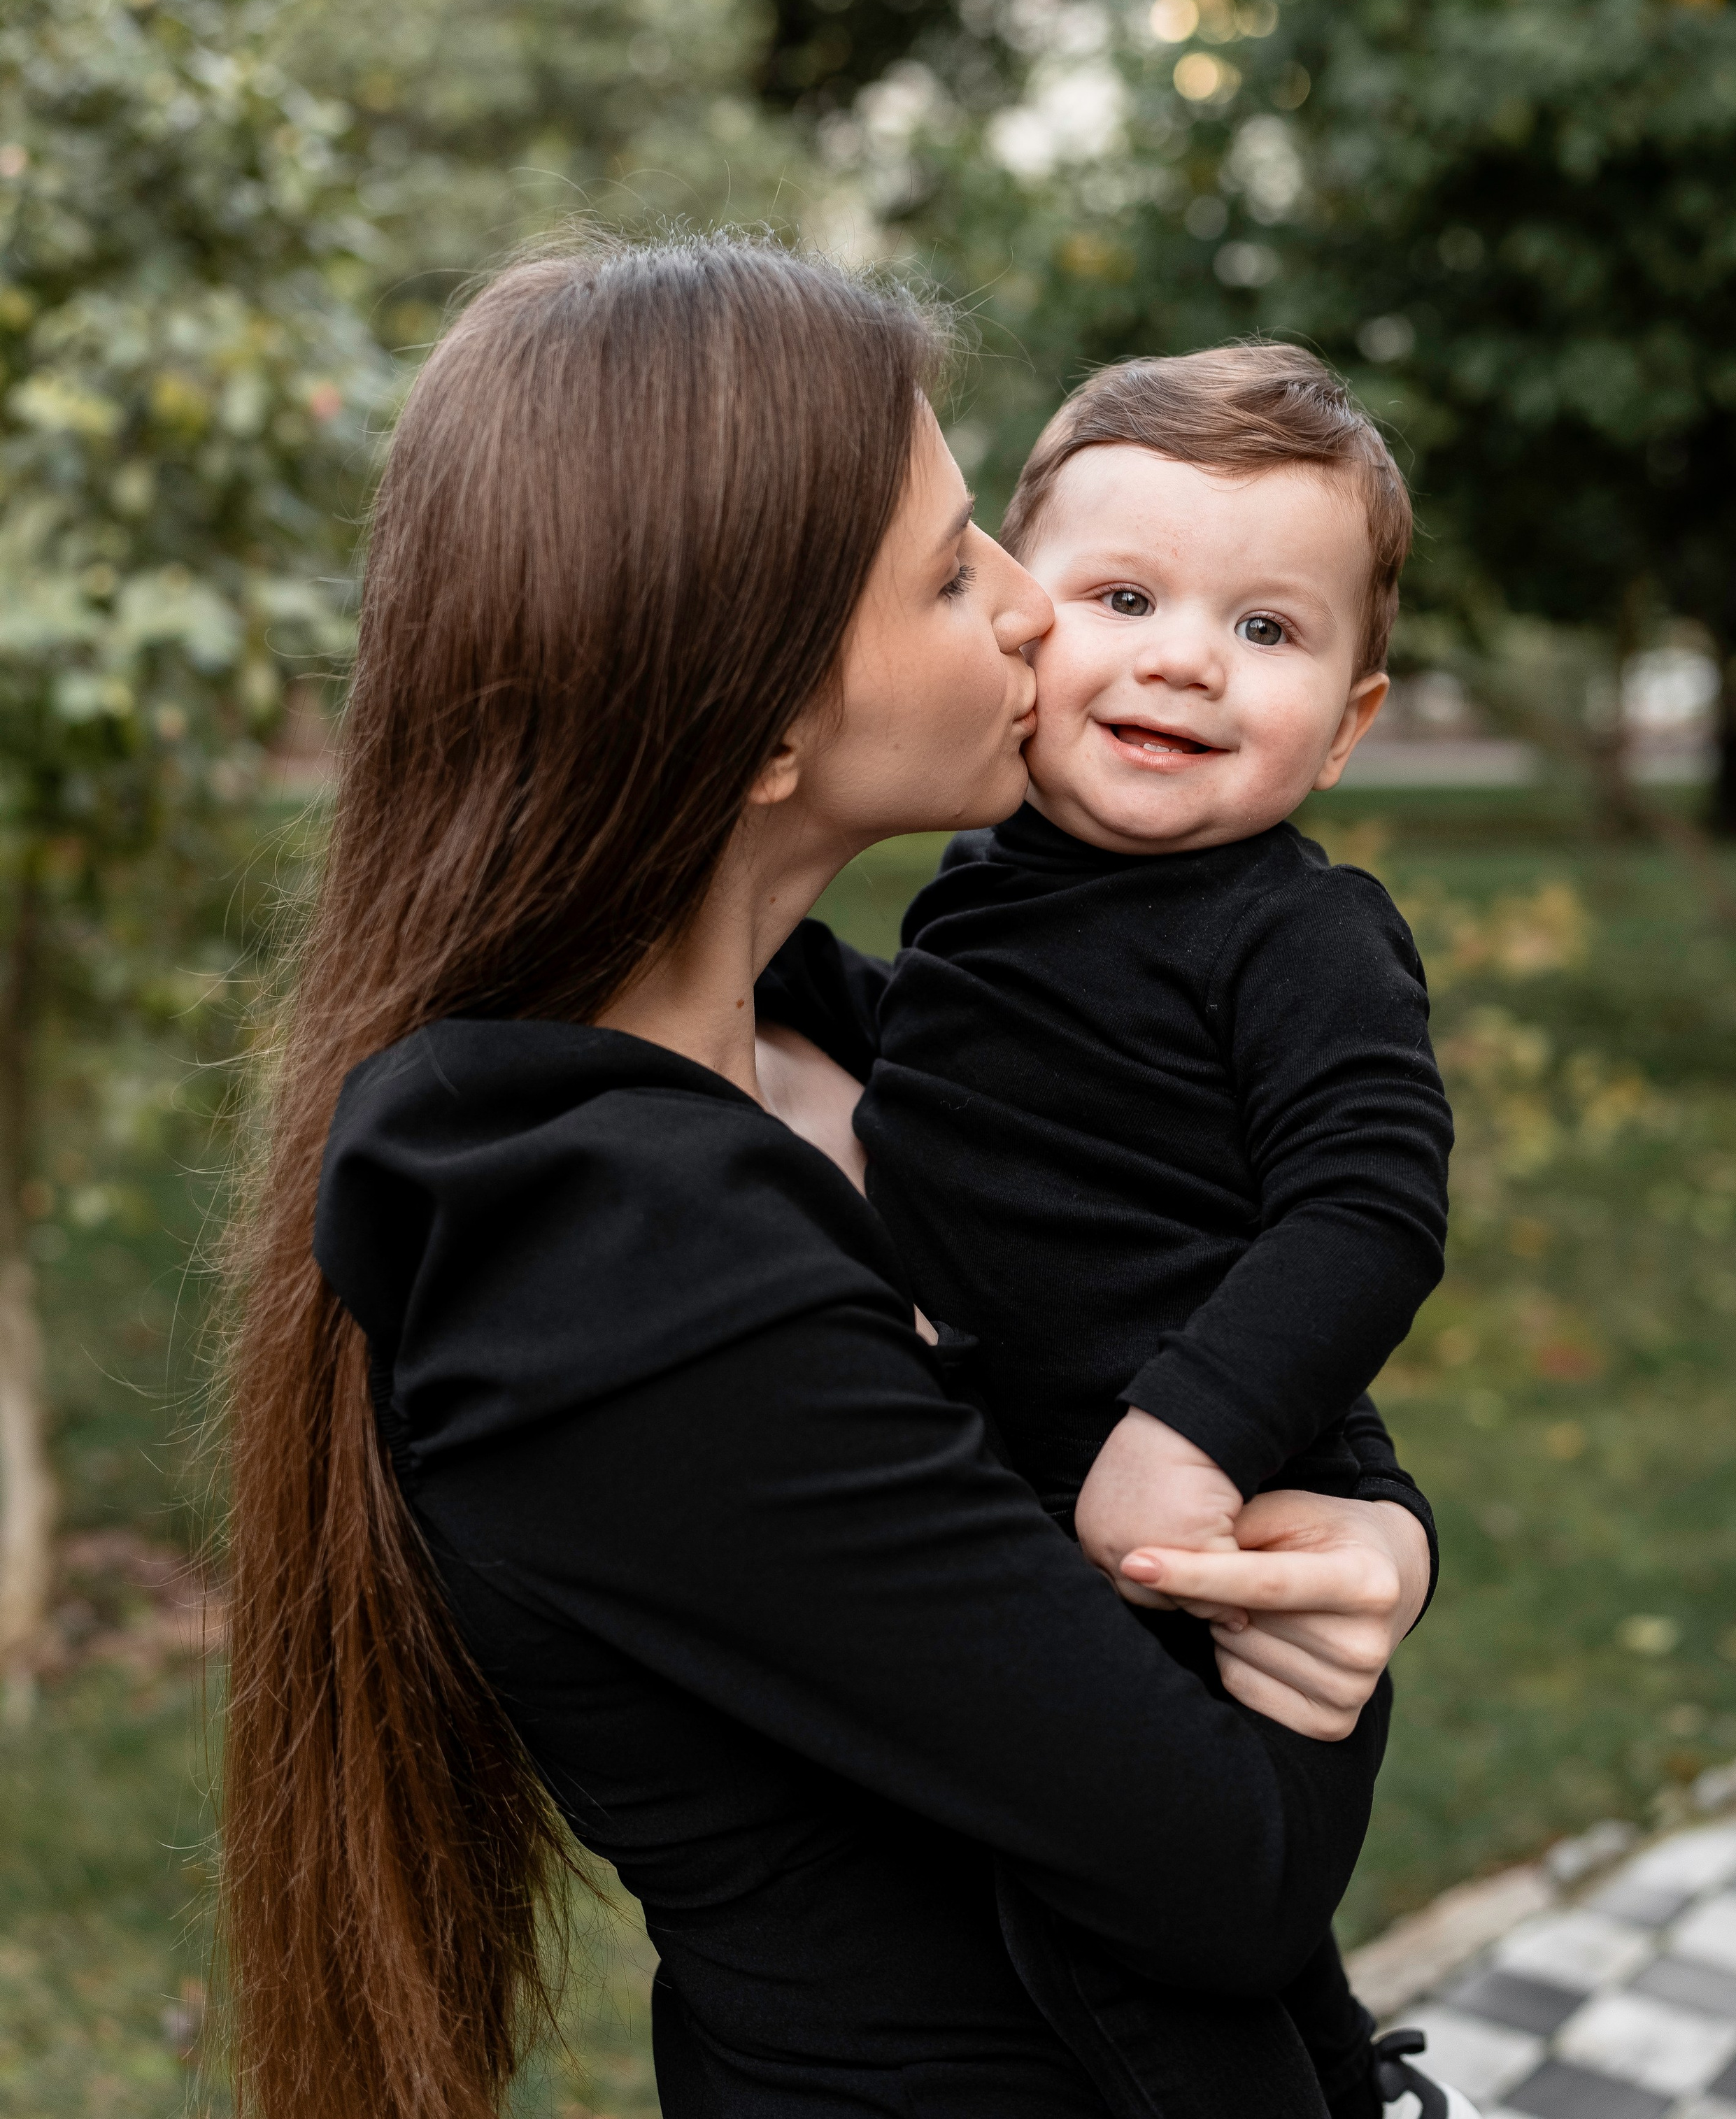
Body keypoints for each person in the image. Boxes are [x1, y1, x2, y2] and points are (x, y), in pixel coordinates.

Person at [220, 241, 1438, 2119]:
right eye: (962, 570)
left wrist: (1363, 1522)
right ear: (764, 714)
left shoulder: (830, 1045)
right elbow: (1225, 1869)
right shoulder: (604, 1258)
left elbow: (1227, 1257)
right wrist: (1341, 1601)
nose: (1049, 616)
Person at [755, 346, 1458, 2118]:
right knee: (1247, 1972)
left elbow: (1366, 1203)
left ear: (1351, 720)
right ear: (1018, 625)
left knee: (1128, 1964)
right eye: (1124, 596)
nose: (1180, 660)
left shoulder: (1293, 934)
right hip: (1059, 1487)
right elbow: (923, 1052)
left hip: (1214, 1510)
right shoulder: (993, 887)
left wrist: (1184, 1438)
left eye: (1266, 632)